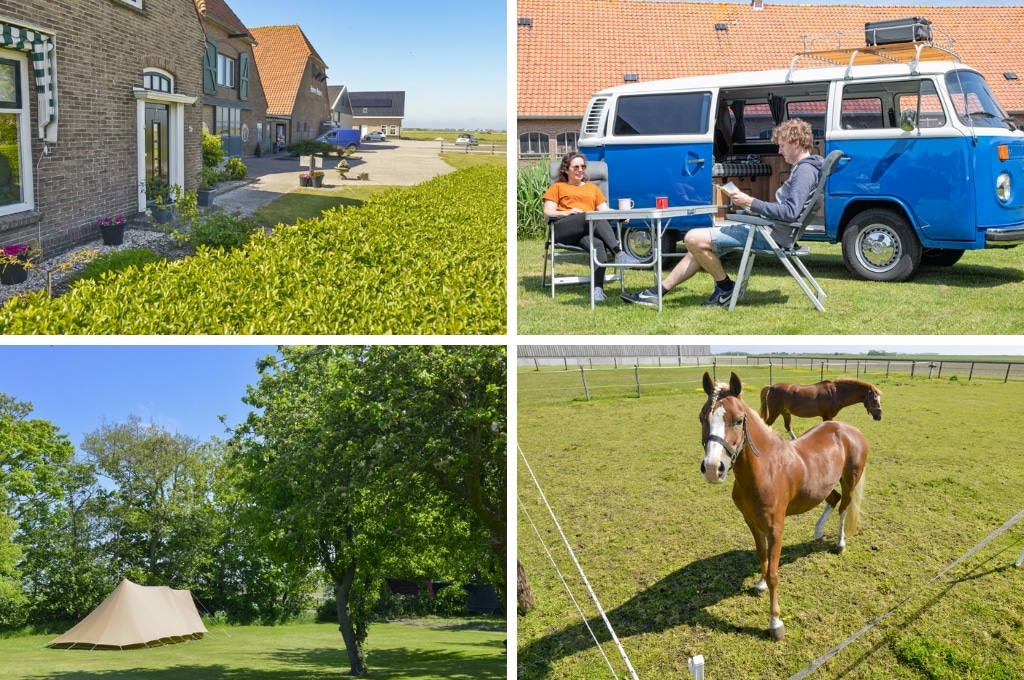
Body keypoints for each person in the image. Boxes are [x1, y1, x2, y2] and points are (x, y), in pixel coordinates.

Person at [621, 118, 823, 308]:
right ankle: (657, 293)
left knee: (692, 237)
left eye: (782, 145)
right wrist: (751, 207)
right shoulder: (808, 168)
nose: (780, 151)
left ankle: (725, 288)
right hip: (771, 229)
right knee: (697, 246)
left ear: (796, 142)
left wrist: (751, 202)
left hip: (770, 234)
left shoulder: (804, 171)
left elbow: (790, 212)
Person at [543, 152, 643, 302]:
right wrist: (568, 212)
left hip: (586, 229)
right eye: (576, 167)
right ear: (566, 169)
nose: (580, 170)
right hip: (563, 229)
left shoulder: (592, 188)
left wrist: (619, 215)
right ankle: (619, 254)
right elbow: (547, 212)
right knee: (591, 215)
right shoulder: (558, 187)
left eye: (583, 166)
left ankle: (597, 290)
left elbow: (604, 210)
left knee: (598, 245)